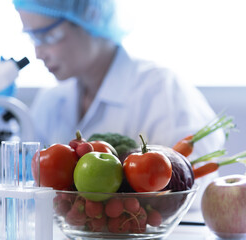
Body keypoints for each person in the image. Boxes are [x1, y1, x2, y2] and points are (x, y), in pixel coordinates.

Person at [12, 0, 225, 161]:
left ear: (90, 15)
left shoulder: (162, 90)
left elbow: (192, 186)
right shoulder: (50, 100)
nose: (39, 54)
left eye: (48, 36)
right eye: (32, 38)